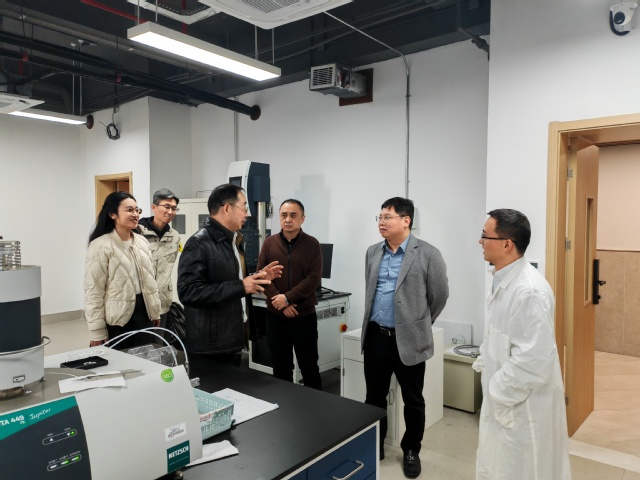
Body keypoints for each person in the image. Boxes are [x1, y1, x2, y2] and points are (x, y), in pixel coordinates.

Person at [473, 209, 571, 480]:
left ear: (507, 244)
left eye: (485, 235)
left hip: (522, 408)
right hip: (506, 404)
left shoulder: (529, 291)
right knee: (499, 466)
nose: (480, 241)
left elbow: (533, 361)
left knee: (521, 469)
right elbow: (499, 335)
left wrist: (496, 390)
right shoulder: (503, 280)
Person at [361, 197, 449, 478]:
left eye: (387, 217)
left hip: (409, 338)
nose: (381, 222)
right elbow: (370, 291)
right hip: (376, 336)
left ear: (406, 220)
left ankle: (411, 450)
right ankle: (375, 445)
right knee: (374, 396)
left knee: (413, 399)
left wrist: (420, 323)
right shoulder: (372, 252)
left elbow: (439, 296)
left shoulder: (428, 254)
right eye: (379, 217)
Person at [177, 184, 282, 363]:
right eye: (244, 207)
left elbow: (231, 279)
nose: (247, 214)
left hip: (230, 338)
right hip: (210, 346)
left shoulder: (233, 240)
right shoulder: (198, 243)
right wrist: (241, 286)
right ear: (226, 208)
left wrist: (258, 279)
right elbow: (188, 292)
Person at [256, 199, 323, 389]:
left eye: (293, 215)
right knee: (280, 367)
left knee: (309, 366)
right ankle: (284, 404)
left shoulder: (312, 244)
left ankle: (316, 404)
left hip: (304, 317)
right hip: (276, 316)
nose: (288, 219)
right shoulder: (269, 243)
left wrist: (287, 298)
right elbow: (262, 275)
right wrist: (281, 302)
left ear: (302, 218)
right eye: (284, 215)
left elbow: (313, 279)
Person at [84, 191, 162, 350]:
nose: (135, 214)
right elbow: (94, 290)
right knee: (120, 361)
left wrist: (155, 311)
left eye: (137, 210)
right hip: (117, 318)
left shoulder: (142, 242)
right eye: (129, 210)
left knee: (144, 359)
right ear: (112, 214)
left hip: (144, 313)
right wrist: (96, 331)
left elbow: (150, 281)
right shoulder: (100, 246)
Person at [137, 188, 181, 335]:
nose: (170, 211)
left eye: (174, 208)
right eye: (167, 207)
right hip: (139, 302)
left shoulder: (174, 236)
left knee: (158, 343)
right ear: (154, 207)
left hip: (162, 302)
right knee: (139, 343)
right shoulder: (137, 233)